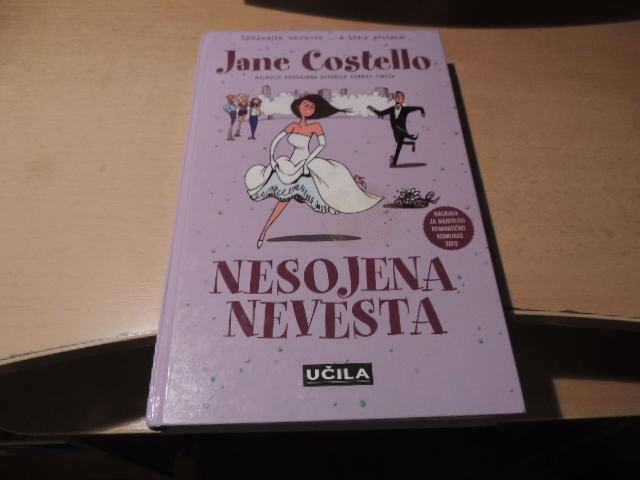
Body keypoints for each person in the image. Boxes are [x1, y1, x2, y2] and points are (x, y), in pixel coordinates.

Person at [245, 94, 383, 248]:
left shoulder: (315, 127)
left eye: (312, 107)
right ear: (298, 106)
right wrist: (272, 158)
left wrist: (308, 161)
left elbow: (321, 145)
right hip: (289, 165)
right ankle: (264, 231)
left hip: (305, 163)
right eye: (306, 105)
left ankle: (353, 183)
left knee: (325, 190)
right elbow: (276, 141)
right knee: (283, 200)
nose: (309, 109)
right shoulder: (293, 126)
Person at [367, 91, 425, 167]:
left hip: (401, 130)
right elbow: (380, 113)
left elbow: (417, 108)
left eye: (400, 97)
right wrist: (372, 108)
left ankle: (394, 163)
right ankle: (411, 142)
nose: (398, 97)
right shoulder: (391, 109)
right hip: (395, 130)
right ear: (395, 98)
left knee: (398, 146)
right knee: (398, 143)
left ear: (403, 99)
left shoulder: (405, 109)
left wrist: (422, 110)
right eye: (397, 96)